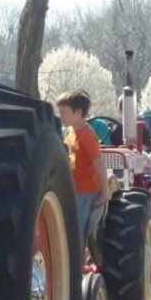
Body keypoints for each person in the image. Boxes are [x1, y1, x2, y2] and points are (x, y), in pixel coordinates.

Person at [56, 91, 110, 242]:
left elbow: (99, 164)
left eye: (63, 113)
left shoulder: (87, 136)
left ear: (78, 112)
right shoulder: (70, 131)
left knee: (77, 234)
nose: (60, 116)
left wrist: (105, 192)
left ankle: (76, 263)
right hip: (74, 189)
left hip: (87, 192)